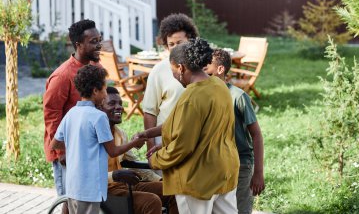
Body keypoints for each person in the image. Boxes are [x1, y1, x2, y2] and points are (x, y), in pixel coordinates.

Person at [136, 38, 239, 214]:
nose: (174, 76)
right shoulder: (219, 86)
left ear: (181, 68)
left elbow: (182, 146)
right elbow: (188, 125)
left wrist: (156, 160)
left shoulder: (191, 97)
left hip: (198, 177)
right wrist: (149, 133)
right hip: (225, 169)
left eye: (172, 71)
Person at [50, 65, 146, 214]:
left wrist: (78, 144)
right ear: (95, 91)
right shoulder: (98, 116)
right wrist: (134, 143)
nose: (106, 93)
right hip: (90, 189)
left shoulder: (71, 113)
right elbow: (113, 151)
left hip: (73, 186)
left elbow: (54, 143)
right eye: (104, 89)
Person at [43, 19, 103, 197]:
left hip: (89, 146)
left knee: (85, 200)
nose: (99, 45)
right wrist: (62, 151)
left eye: (99, 39)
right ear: (78, 45)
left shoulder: (96, 67)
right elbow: (51, 114)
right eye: (93, 42)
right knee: (68, 201)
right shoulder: (62, 76)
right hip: (67, 150)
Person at [204, 49, 265, 214]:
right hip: (216, 165)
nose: (203, 74)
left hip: (241, 165)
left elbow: (257, 135)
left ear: (220, 69)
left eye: (206, 69)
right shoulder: (203, 97)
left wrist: (258, 173)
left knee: (240, 210)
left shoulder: (238, 97)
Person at [100, 86, 179, 214]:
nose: (119, 107)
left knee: (173, 189)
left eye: (120, 103)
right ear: (99, 108)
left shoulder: (120, 134)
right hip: (105, 189)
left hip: (124, 185)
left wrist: (159, 180)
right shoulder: (93, 135)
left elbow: (134, 164)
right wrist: (114, 175)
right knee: (151, 201)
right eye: (112, 103)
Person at [142, 13, 199, 152]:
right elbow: (150, 112)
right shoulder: (159, 71)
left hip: (197, 139)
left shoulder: (201, 70)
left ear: (190, 40)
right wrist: (150, 145)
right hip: (166, 140)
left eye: (180, 43)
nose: (175, 48)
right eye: (171, 44)